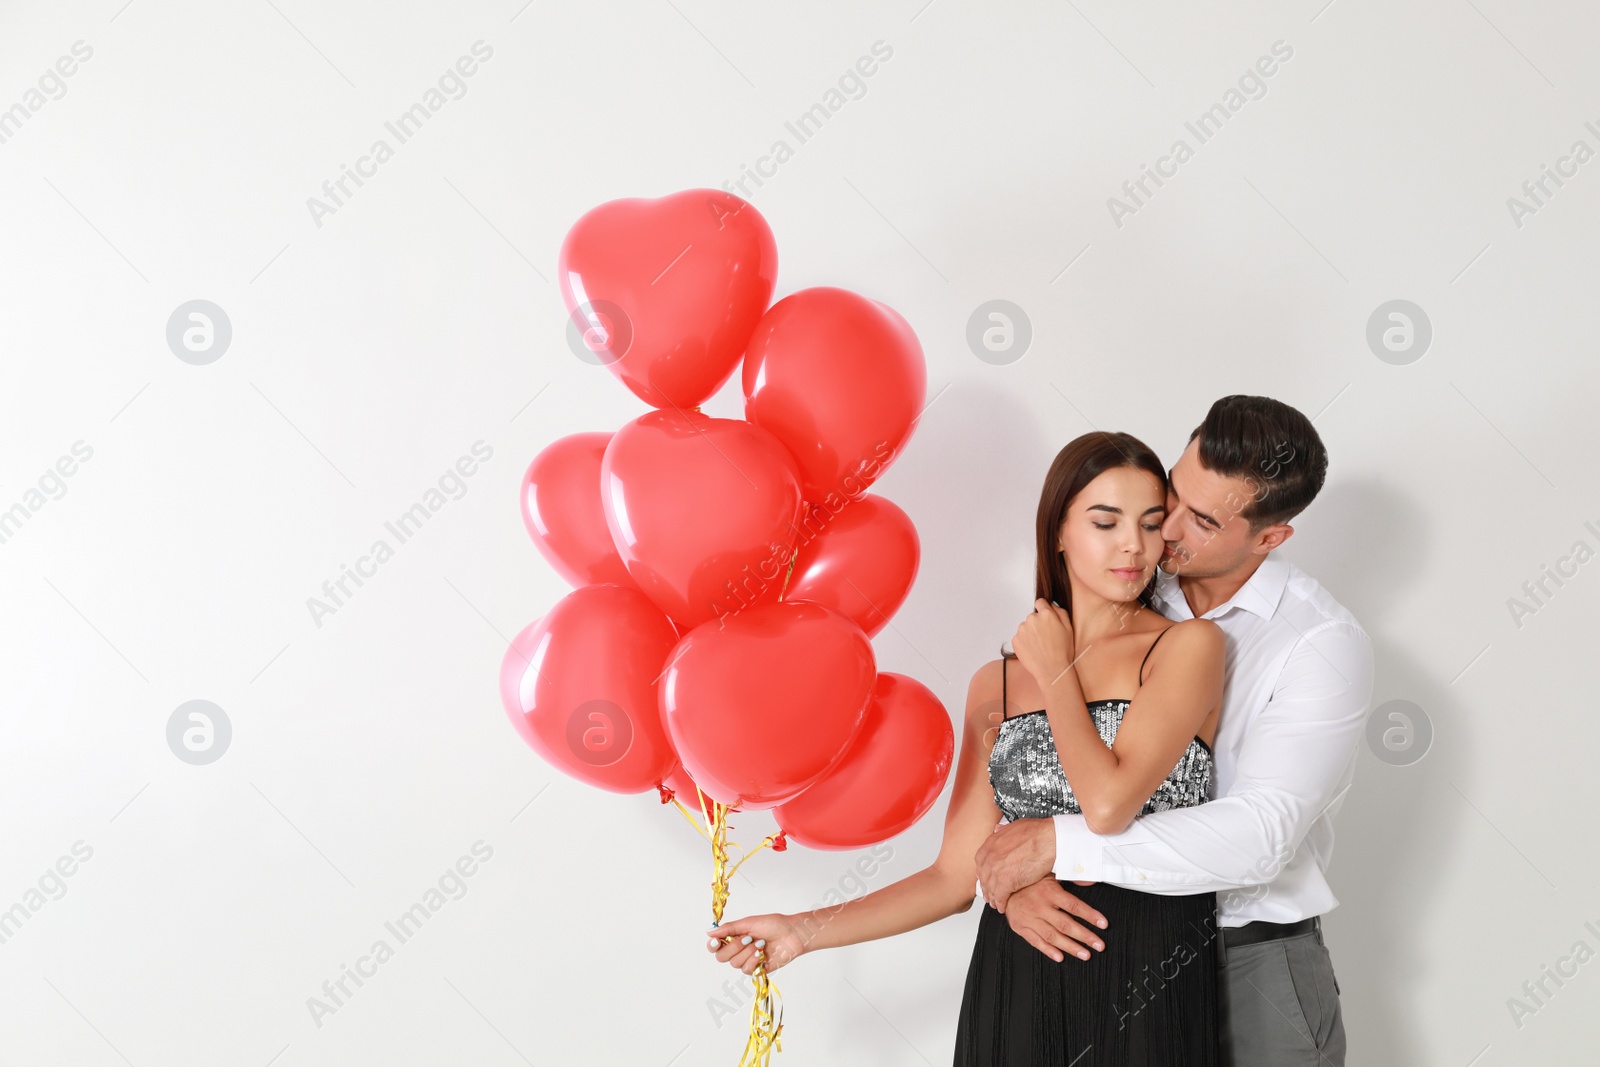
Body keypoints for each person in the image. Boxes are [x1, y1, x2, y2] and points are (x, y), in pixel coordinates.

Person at [703, 429, 1229, 1064]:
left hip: (1150, 970)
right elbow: (953, 878)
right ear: (1058, 531)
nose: (1133, 546)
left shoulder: (1187, 647)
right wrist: (800, 932)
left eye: (1150, 525)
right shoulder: (998, 682)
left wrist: (1057, 672)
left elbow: (1110, 805)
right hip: (1018, 980)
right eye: (1105, 521)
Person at [975, 395, 1374, 1067]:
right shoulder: (1133, 589)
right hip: (1113, 946)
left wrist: (1056, 846)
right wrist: (1015, 884)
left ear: (1268, 537)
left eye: (1204, 520)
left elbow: (1260, 837)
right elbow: (1033, 770)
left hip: (1252, 961)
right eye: (1174, 498)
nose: (1167, 531)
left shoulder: (1321, 644)